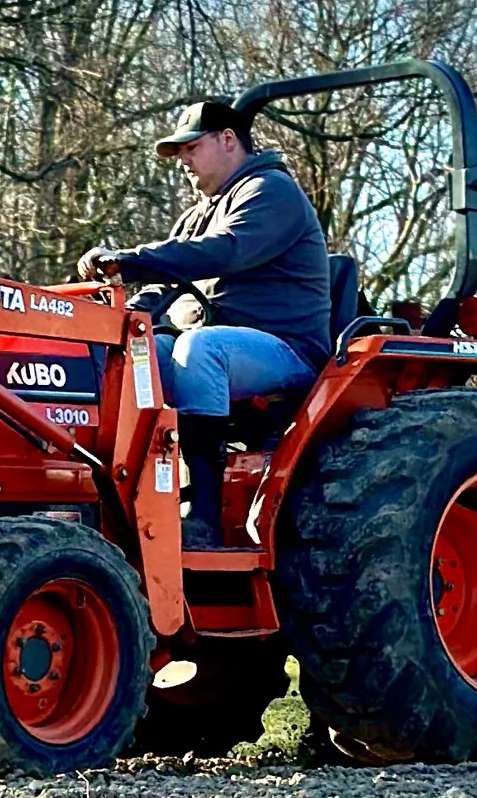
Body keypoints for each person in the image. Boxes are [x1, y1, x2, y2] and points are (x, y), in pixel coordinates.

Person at [76, 99, 331, 544]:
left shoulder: (271, 191)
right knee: (136, 353)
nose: (183, 163)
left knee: (201, 348)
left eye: (191, 148)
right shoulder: (199, 213)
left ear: (228, 139)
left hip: (284, 349)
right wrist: (108, 321)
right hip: (219, 346)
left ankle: (204, 512)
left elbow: (225, 250)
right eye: (179, 154)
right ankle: (106, 500)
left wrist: (131, 260)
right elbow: (166, 282)